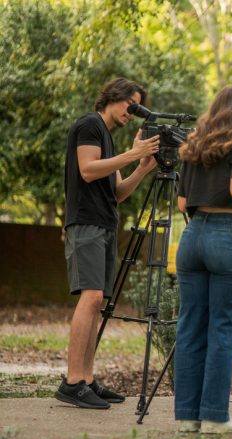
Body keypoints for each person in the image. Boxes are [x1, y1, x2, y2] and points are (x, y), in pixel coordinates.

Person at [57, 77, 160, 409]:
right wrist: (133, 153)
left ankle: (86, 379)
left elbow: (117, 194)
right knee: (90, 297)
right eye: (131, 104)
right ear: (113, 98)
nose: (133, 112)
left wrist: (142, 167)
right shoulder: (89, 125)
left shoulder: (109, 140)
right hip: (85, 223)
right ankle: (73, 381)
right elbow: (87, 170)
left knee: (97, 300)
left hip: (104, 223)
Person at [174, 86, 232, 434]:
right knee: (223, 326)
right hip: (228, 234)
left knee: (190, 326)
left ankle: (187, 416)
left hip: (193, 236)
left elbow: (183, 204)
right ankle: (215, 416)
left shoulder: (194, 145)